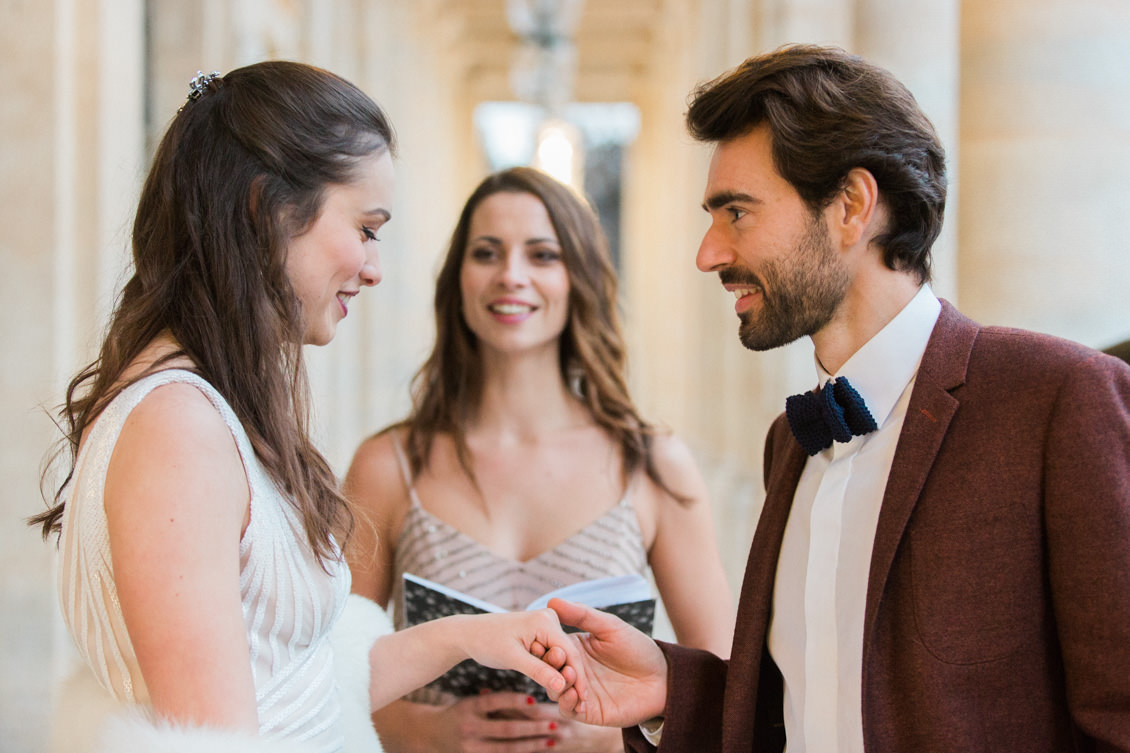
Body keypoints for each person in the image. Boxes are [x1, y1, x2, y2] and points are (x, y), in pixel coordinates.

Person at [543, 44, 1130, 752]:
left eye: (736, 212)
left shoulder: (1059, 399)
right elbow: (810, 704)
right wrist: (672, 686)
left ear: (851, 206)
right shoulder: (790, 443)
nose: (708, 253)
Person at [30, 62, 583, 753]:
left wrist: (477, 635)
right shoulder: (178, 430)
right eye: (366, 226)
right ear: (268, 210)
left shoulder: (205, 410)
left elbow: (297, 681)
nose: (375, 266)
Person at [343, 166, 735, 753]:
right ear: (458, 279)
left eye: (542, 254)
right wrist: (429, 733)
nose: (511, 276)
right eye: (487, 252)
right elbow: (324, 675)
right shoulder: (388, 465)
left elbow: (727, 690)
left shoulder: (651, 464)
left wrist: (610, 734)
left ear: (577, 277)